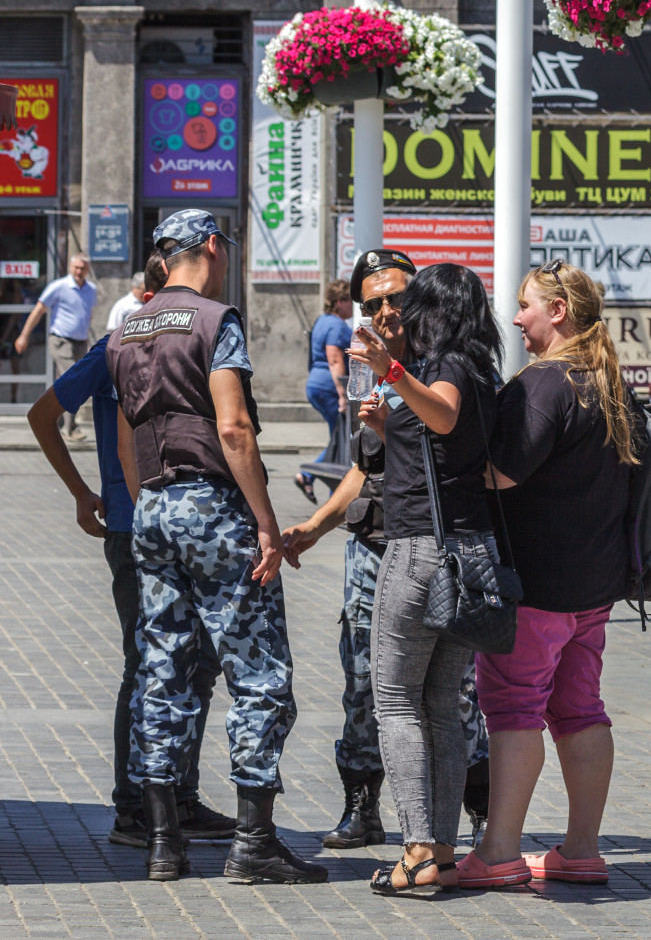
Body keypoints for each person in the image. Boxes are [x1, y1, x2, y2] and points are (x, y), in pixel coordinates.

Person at [106, 209, 326, 884]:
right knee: (259, 668)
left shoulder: (126, 328)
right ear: (210, 246)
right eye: (225, 246)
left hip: (154, 508)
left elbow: (123, 439)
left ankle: (163, 841)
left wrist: (152, 506)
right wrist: (264, 517)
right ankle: (254, 839)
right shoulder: (214, 320)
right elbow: (233, 427)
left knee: (163, 667)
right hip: (213, 503)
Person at [280, 249, 491, 853]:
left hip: (436, 550)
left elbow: (452, 435)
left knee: (452, 692)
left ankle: (471, 811)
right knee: (365, 682)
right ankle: (363, 806)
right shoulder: (376, 370)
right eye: (371, 303)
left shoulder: (438, 364)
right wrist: (314, 528)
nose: (385, 311)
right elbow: (361, 470)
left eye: (395, 297)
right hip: (374, 548)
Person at [25, 253, 235, 854]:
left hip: (168, 523)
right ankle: (134, 807)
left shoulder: (170, 340)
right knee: (148, 663)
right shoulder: (119, 345)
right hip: (133, 526)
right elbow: (42, 414)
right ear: (147, 296)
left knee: (192, 662)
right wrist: (80, 493)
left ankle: (178, 798)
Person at [458, 260, 636, 890]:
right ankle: (580, 849)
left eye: (526, 305)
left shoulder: (545, 384)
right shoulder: (609, 381)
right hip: (594, 588)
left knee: (513, 709)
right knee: (580, 710)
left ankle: (500, 851)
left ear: (558, 311)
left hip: (533, 587)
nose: (515, 318)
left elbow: (502, 474)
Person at [348, 262, 502, 897]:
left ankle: (415, 849)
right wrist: (387, 424)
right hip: (470, 554)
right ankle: (440, 844)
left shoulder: (448, 368)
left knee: (395, 701)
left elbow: (440, 415)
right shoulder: (484, 372)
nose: (402, 315)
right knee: (442, 703)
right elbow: (442, 445)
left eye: (414, 305)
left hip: (420, 553)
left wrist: (391, 371)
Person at [16, 252, 98, 439]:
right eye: (76, 267)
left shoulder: (91, 289)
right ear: (70, 268)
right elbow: (39, 310)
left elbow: (88, 315)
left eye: (83, 268)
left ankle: (50, 418)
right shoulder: (59, 287)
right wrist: (24, 335)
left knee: (63, 382)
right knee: (74, 380)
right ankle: (71, 428)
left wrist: (87, 338)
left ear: (88, 270)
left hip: (80, 343)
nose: (79, 271)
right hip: (60, 341)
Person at [295, 279, 354, 504]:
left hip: (316, 384)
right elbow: (335, 359)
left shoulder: (322, 321)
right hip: (330, 388)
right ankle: (328, 491)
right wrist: (342, 394)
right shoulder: (337, 325)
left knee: (337, 439)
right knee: (341, 441)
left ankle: (312, 478)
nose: (353, 305)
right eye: (349, 300)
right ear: (340, 302)